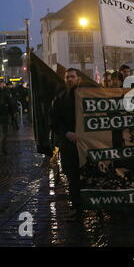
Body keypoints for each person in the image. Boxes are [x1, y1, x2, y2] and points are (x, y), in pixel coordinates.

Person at [50, 68, 82, 215]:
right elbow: (54, 121)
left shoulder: (88, 96)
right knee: (73, 176)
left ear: (78, 79)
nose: (70, 79)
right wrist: (67, 133)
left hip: (86, 144)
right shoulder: (60, 99)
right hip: (69, 144)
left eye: (72, 77)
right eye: (67, 77)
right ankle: (76, 206)